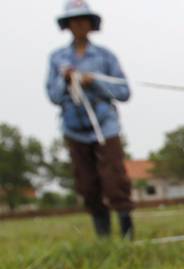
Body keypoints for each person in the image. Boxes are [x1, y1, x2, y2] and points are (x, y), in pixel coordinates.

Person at [46, 1, 134, 239]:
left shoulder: (105, 56)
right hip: (74, 128)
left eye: (84, 19)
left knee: (115, 180)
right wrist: (65, 81)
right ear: (67, 25)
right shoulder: (57, 59)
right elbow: (53, 96)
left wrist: (94, 81)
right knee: (87, 184)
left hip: (106, 127)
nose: (79, 24)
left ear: (91, 24)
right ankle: (103, 236)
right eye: (74, 20)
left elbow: (124, 91)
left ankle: (127, 234)